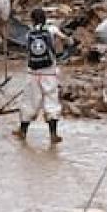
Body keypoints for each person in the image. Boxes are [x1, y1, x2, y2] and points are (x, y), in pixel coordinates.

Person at [13, 8, 73, 144]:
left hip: (33, 73)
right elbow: (67, 41)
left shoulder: (29, 34)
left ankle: (22, 131)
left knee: (29, 102)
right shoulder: (52, 30)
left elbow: (28, 51)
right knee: (51, 102)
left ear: (32, 20)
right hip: (49, 72)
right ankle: (53, 134)